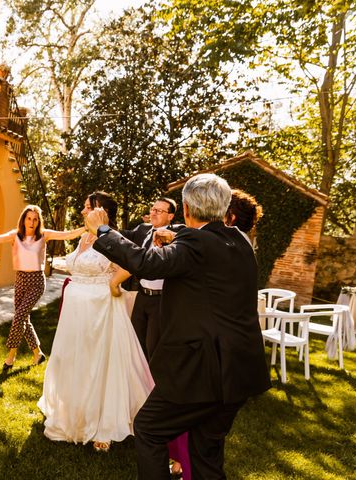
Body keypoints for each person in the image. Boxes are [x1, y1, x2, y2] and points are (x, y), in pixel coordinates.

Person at [86, 173, 271, 479]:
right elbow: (203, 253)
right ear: (226, 208)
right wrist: (175, 239)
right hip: (239, 371)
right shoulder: (239, 240)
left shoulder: (195, 242)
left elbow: (147, 264)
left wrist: (103, 231)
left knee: (148, 429)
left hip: (199, 372)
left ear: (185, 208)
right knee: (206, 452)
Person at [38, 192, 153, 453]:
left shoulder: (110, 238)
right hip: (75, 308)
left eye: (87, 207)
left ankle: (103, 425)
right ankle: (72, 415)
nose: (82, 211)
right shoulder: (83, 238)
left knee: (99, 362)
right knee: (73, 359)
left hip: (100, 309)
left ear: (99, 211)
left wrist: (114, 283)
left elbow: (131, 266)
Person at [0, 205, 86, 370]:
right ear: (23, 220)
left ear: (38, 221)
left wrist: (86, 227)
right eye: (29, 218)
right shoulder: (15, 235)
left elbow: (67, 235)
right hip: (20, 280)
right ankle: (38, 354)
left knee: (18, 317)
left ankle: (10, 357)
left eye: (35, 219)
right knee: (24, 319)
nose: (31, 222)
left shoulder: (43, 235)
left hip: (36, 281)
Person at [115, 197, 185, 360]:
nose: (153, 213)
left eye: (159, 211)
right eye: (153, 209)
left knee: (153, 346)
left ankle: (155, 383)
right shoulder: (143, 229)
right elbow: (122, 236)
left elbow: (185, 241)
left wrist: (168, 235)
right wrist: (102, 226)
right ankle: (139, 382)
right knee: (135, 343)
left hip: (162, 300)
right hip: (141, 295)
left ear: (170, 216)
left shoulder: (179, 232)